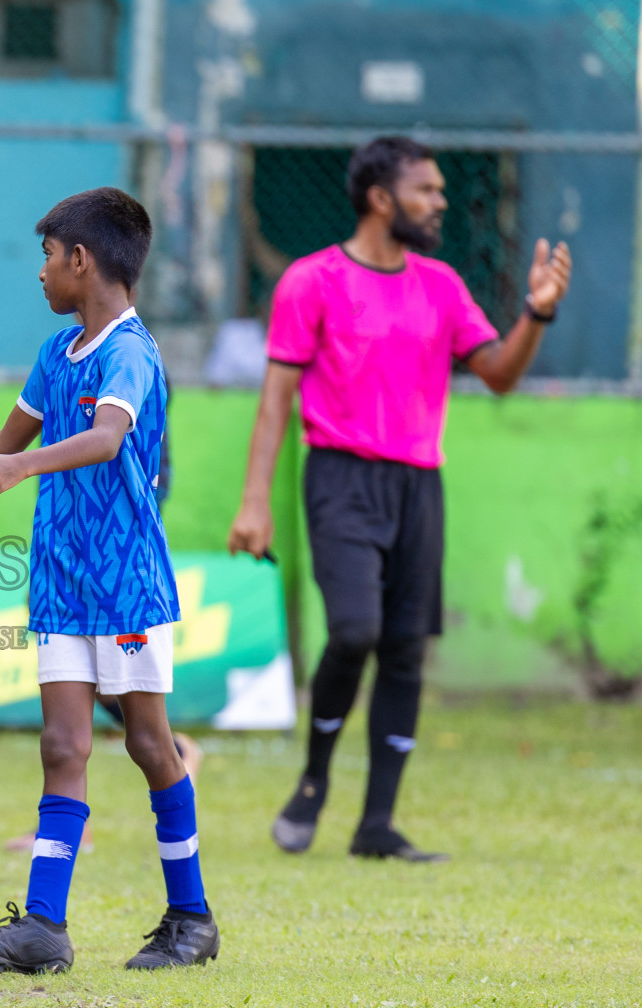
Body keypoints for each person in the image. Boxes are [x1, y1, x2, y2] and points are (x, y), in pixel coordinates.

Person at [0, 187, 218, 973]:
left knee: (148, 743)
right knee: (62, 743)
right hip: (59, 582)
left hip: (124, 582)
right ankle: (44, 930)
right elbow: (5, 435)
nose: (41, 274)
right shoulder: (56, 353)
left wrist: (19, 466)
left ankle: (191, 918)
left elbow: (103, 438)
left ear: (81, 260)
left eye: (47, 256)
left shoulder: (130, 350)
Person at [227, 135, 572, 861]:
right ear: (382, 198)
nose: (440, 202)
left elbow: (499, 374)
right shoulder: (311, 281)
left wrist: (535, 315)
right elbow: (275, 401)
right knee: (354, 631)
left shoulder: (442, 285)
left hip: (419, 482)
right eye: (426, 189)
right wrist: (255, 501)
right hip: (340, 477)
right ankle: (314, 782)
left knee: (406, 649)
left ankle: (377, 824)